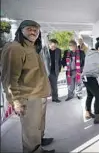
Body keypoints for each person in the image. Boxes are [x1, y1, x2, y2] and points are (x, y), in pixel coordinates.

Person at [0, 20, 55, 153]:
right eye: (29, 29)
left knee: (38, 126)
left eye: (36, 30)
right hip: (28, 98)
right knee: (30, 130)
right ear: (21, 30)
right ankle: (33, 149)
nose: (33, 32)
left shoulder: (32, 47)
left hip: (39, 95)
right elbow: (9, 79)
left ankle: (39, 144)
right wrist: (16, 102)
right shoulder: (15, 48)